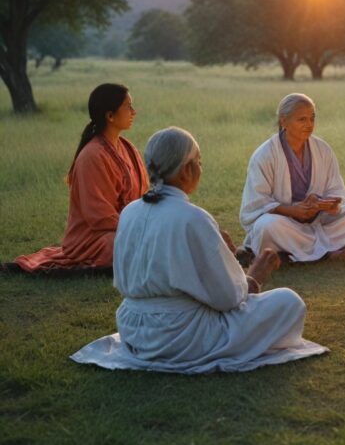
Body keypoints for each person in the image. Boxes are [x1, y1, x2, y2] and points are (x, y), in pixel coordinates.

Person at [71, 127, 327, 373]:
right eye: (199, 161)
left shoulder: (129, 212)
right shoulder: (193, 218)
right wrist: (254, 276)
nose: (201, 168)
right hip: (181, 336)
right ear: (185, 171)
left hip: (133, 330)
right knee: (288, 302)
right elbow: (227, 299)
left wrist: (222, 252)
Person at [11, 83, 147, 274]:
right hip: (95, 237)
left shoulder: (128, 149)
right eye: (128, 106)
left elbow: (142, 196)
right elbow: (99, 216)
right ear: (109, 116)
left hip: (126, 228)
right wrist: (138, 228)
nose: (134, 111)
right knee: (128, 245)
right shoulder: (92, 156)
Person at [238, 93, 345, 263]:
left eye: (312, 118)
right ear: (284, 121)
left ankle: (289, 254)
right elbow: (256, 204)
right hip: (285, 224)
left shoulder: (322, 149)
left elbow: (337, 191)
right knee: (265, 227)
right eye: (302, 119)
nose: (309, 125)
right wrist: (292, 210)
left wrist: (321, 202)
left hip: (320, 221)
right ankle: (330, 252)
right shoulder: (264, 155)